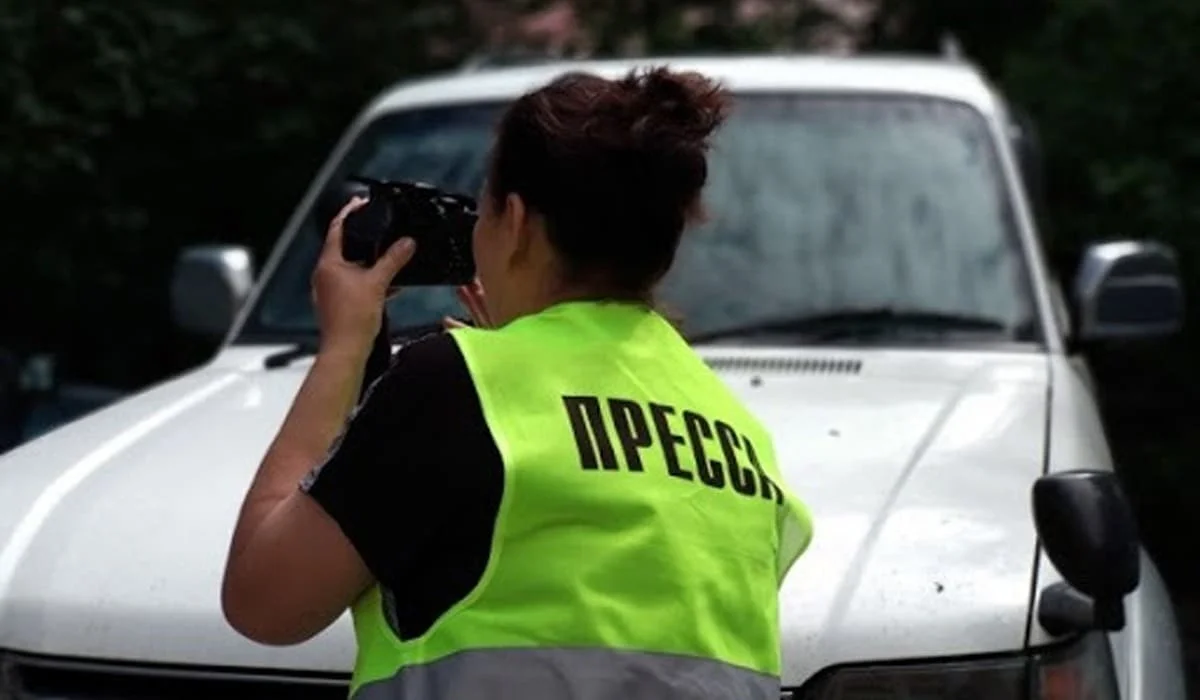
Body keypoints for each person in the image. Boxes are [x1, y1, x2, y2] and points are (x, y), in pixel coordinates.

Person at [221, 66, 814, 700]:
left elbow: (264, 601)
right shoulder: (740, 437)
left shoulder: (459, 386)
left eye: (482, 209)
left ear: (518, 221)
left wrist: (343, 347)